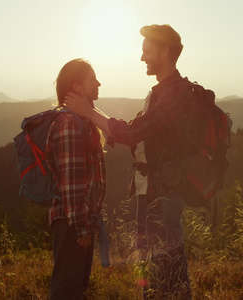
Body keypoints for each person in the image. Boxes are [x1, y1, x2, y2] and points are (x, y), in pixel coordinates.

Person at [65, 24, 197, 299]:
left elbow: (133, 132)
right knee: (151, 261)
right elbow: (133, 135)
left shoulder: (176, 94)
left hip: (163, 192)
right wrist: (89, 111)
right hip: (149, 189)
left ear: (165, 51)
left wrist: (88, 113)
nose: (142, 58)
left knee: (168, 265)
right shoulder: (160, 93)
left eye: (147, 51)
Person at [47, 58, 107, 299]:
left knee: (75, 287)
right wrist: (81, 227)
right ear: (76, 87)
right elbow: (71, 182)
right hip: (72, 221)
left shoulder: (81, 120)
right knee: (67, 290)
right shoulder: (69, 124)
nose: (99, 83)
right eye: (92, 79)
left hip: (78, 218)